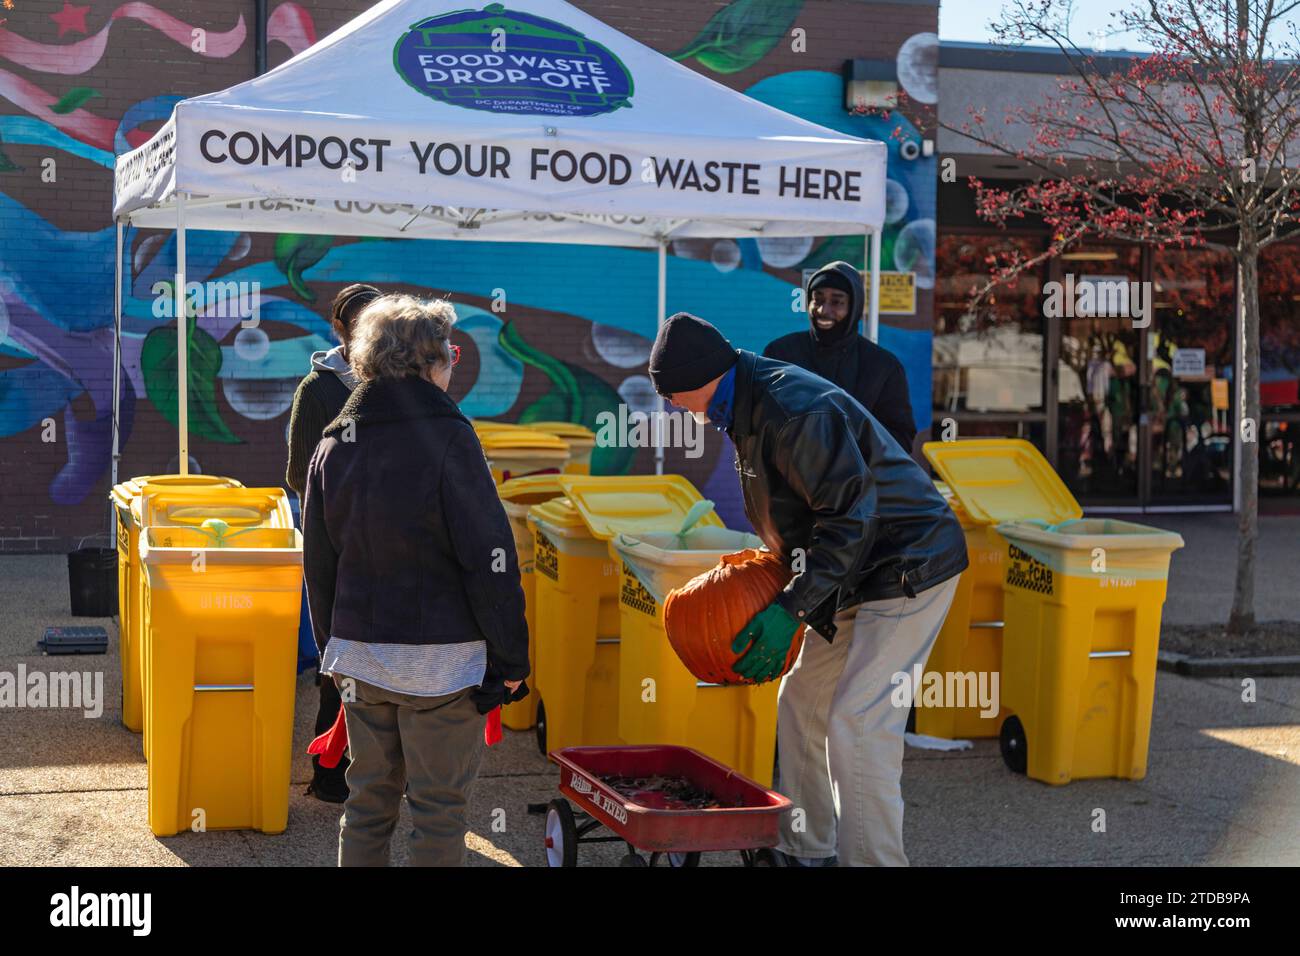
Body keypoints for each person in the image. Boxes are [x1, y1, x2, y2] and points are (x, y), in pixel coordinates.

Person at [649, 312, 968, 867]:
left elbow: (850, 517)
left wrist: (791, 608)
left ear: (696, 377)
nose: (673, 405)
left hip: (906, 564)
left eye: (672, 393)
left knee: (859, 722)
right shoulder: (743, 402)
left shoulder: (791, 410)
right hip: (848, 570)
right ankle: (805, 847)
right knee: (801, 703)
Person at [302, 293, 529, 867]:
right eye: (451, 353)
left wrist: (335, 647)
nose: (454, 363)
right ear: (428, 361)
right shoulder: (451, 439)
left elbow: (319, 564)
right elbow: (490, 556)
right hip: (442, 664)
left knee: (367, 805)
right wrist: (510, 660)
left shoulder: (333, 442)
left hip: (359, 659)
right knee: (438, 812)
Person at [286, 283, 381, 804]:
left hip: (389, 540)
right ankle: (328, 774)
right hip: (339, 538)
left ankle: (379, 771)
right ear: (340, 331)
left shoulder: (399, 381)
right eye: (359, 323)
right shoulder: (317, 389)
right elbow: (301, 474)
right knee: (340, 657)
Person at [764, 261, 917, 453]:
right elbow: (760, 421)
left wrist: (848, 447)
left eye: (836, 302)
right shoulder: (781, 354)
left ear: (854, 306)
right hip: (789, 480)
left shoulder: (883, 367)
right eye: (817, 299)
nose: (823, 310)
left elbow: (900, 439)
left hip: (855, 482)